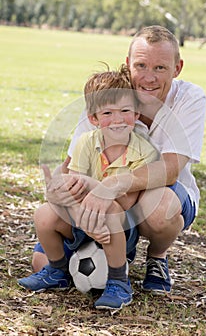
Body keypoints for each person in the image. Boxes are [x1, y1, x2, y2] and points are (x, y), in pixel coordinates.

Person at [24, 25, 206, 301]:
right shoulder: (106, 96)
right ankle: (84, 262)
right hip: (98, 197)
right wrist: (56, 190)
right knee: (42, 260)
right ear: (128, 64)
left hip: (165, 195)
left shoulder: (190, 98)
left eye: (160, 68)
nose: (148, 77)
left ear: (177, 68)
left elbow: (169, 169)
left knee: (158, 210)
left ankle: (156, 258)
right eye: (141, 65)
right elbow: (72, 163)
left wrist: (110, 187)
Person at [18, 65, 159, 310]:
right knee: (44, 214)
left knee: (112, 208)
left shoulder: (144, 151)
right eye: (107, 113)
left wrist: (93, 187)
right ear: (93, 118)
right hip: (82, 218)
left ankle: (119, 282)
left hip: (119, 226)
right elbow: (73, 190)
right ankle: (57, 271)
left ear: (137, 114)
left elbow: (126, 203)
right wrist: (84, 220)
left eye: (125, 110)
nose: (117, 119)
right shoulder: (85, 143)